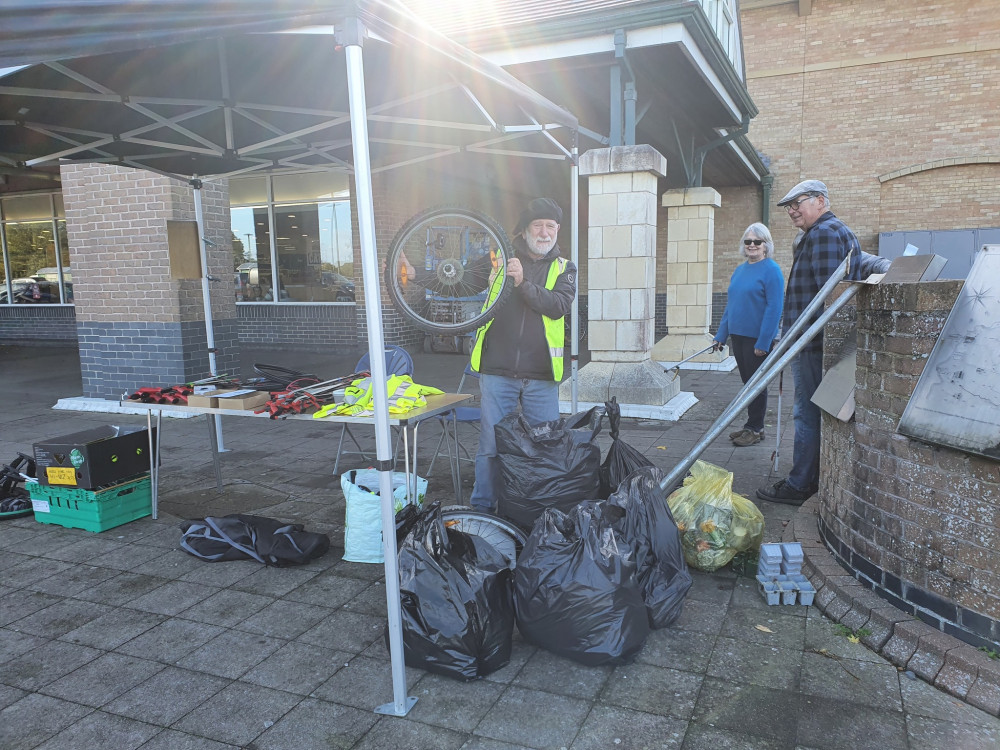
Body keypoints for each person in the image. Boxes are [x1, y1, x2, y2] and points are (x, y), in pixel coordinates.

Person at [468, 197, 576, 512]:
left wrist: (522, 283)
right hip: (497, 370)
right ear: (526, 230)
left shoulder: (564, 268)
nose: (544, 233)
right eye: (537, 226)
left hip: (542, 374)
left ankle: (542, 511)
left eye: (550, 227)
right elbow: (460, 279)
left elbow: (557, 306)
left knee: (545, 448)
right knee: (490, 446)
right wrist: (415, 273)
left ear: (558, 231)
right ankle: (483, 510)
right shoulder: (499, 258)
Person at [757, 179, 861, 505]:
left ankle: (800, 483)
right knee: (811, 413)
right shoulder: (819, 234)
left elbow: (830, 296)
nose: (791, 210)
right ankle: (810, 477)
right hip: (809, 340)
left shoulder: (825, 234)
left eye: (796, 203)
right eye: (787, 205)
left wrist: (800, 338)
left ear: (819, 200)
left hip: (813, 343)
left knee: (806, 414)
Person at [711, 223, 784, 447]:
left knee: (756, 384)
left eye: (757, 241)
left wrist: (764, 341)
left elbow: (774, 308)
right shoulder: (740, 270)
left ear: (766, 245)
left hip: (756, 339)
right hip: (738, 336)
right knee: (747, 383)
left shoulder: (772, 270)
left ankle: (755, 428)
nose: (752, 245)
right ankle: (752, 425)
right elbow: (731, 306)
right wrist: (721, 335)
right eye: (748, 241)